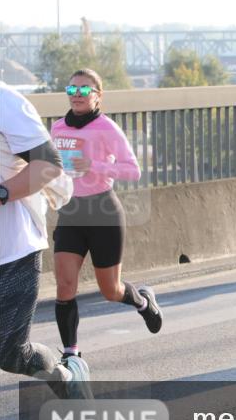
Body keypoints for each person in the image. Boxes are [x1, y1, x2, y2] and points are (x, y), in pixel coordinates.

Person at [0, 82, 91, 420]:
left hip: (12, 251)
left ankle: (64, 375)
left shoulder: (5, 102)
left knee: (9, 353)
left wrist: (1, 192)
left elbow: (48, 165)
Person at [50, 69, 162, 360]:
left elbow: (133, 170)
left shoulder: (107, 128)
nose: (77, 94)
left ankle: (143, 301)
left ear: (97, 96)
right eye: (71, 88)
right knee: (64, 285)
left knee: (110, 290)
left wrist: (95, 166)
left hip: (103, 212)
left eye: (84, 90)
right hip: (71, 212)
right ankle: (71, 355)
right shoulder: (58, 128)